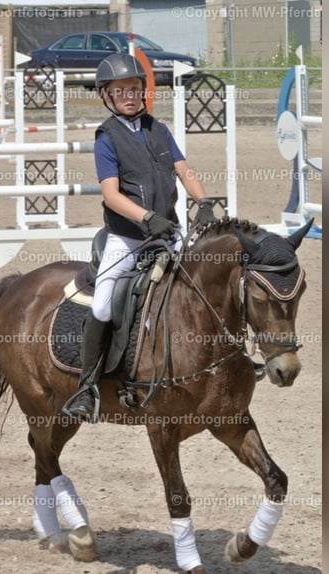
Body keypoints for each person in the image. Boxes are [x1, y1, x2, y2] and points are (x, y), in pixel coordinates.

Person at [62, 53, 210, 421]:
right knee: (102, 305)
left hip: (168, 232)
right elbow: (111, 195)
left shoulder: (158, 130)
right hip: (127, 238)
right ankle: (88, 387)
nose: (129, 95)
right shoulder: (106, 137)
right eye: (120, 90)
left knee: (208, 285)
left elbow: (184, 169)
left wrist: (204, 203)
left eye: (134, 88)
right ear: (107, 96)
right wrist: (147, 217)